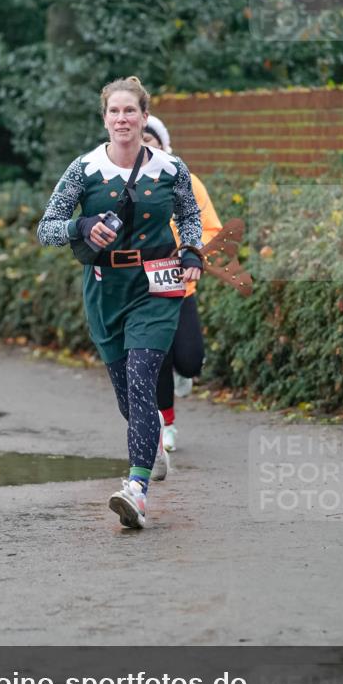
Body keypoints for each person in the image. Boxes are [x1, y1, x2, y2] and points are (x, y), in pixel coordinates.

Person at [37, 77, 202, 529]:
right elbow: (46, 228)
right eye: (115, 111)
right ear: (105, 118)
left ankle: (136, 490)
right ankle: (150, 443)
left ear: (145, 117)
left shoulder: (171, 168)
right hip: (105, 288)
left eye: (131, 111)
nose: (122, 118)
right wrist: (81, 226)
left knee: (142, 377)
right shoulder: (84, 169)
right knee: (129, 398)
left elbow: (190, 215)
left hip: (155, 285)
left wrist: (191, 251)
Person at [143, 115, 222, 454]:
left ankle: (184, 373)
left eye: (151, 141)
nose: (144, 147)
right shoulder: (122, 184)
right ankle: (167, 424)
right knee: (158, 356)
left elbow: (211, 227)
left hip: (180, 284)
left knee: (190, 360)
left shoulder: (185, 181)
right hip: (144, 289)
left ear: (163, 146)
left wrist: (190, 254)